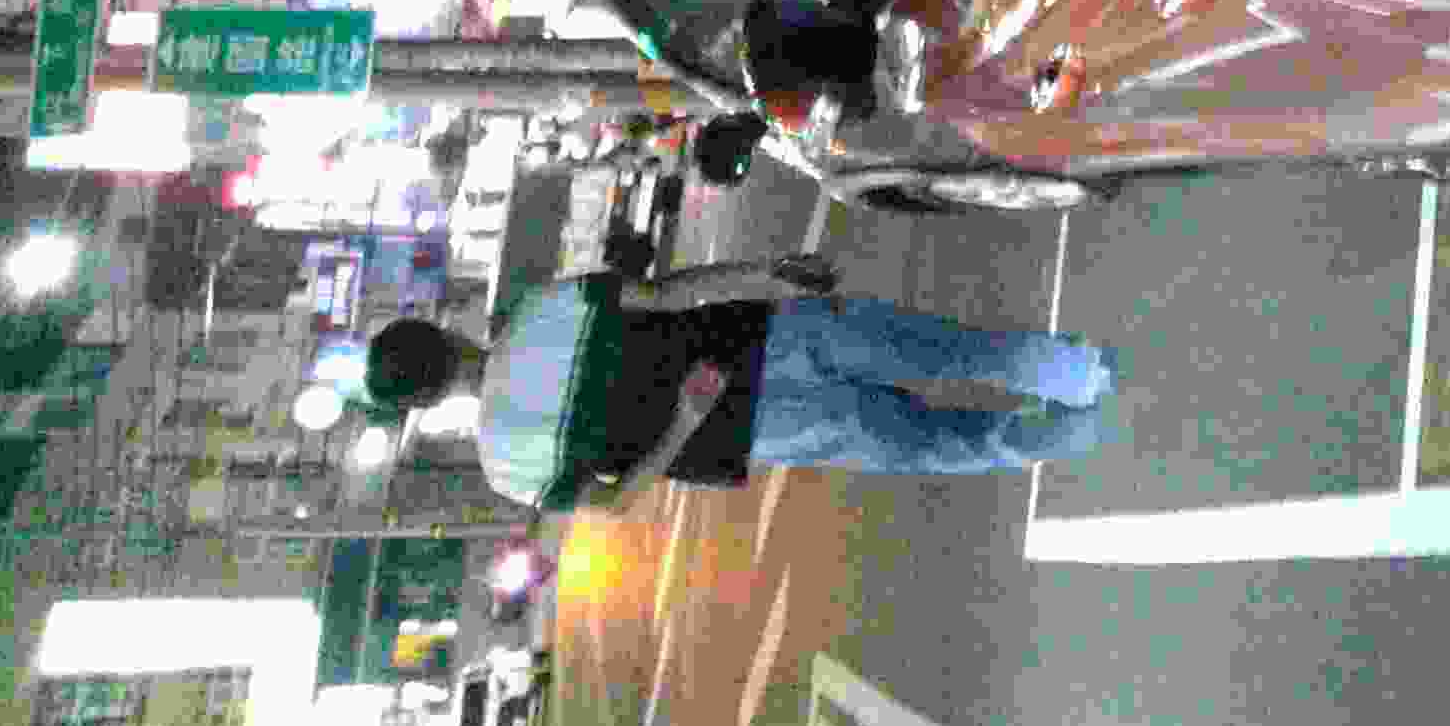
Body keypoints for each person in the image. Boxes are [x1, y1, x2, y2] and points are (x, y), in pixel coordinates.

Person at [360, 251, 1115, 503]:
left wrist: (683, 425)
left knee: (915, 440)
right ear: (446, 330)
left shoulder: (507, 464)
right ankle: (1074, 372)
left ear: (425, 402)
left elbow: (614, 503)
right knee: (930, 351)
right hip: (761, 335)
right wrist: (772, 274)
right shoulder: (543, 309)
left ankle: (1051, 437)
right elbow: (670, 292)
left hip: (741, 428)